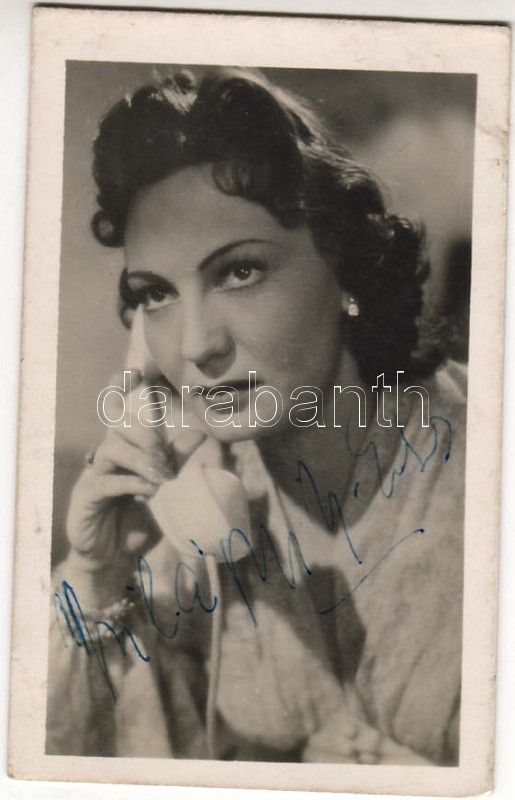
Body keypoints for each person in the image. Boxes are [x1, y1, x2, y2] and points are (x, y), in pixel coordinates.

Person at [47, 68, 465, 764]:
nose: (195, 345)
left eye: (238, 272)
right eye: (156, 294)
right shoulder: (199, 516)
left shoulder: (488, 467)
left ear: (345, 270)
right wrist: (93, 575)